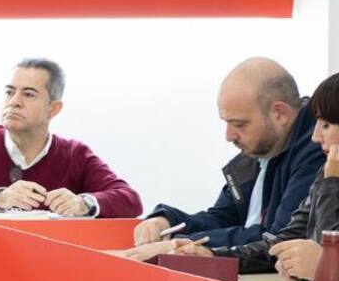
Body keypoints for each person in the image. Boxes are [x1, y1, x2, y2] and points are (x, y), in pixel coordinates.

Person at [142, 73, 339, 281]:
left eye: (326, 124)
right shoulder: (328, 171)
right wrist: (213, 255)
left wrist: (331, 186)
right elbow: (282, 241)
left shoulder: (327, 170)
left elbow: (328, 253)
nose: (315, 136)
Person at [130, 57, 323, 252]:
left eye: (240, 124)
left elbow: (276, 239)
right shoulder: (259, 149)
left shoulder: (318, 151)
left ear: (279, 114)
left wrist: (180, 244)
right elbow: (223, 218)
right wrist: (168, 222)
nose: (229, 136)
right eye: (227, 123)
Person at [0, 58, 141, 217]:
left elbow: (130, 200)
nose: (14, 102)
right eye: (9, 92)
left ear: (53, 109)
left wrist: (84, 203)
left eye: (28, 94)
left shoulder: (75, 154)